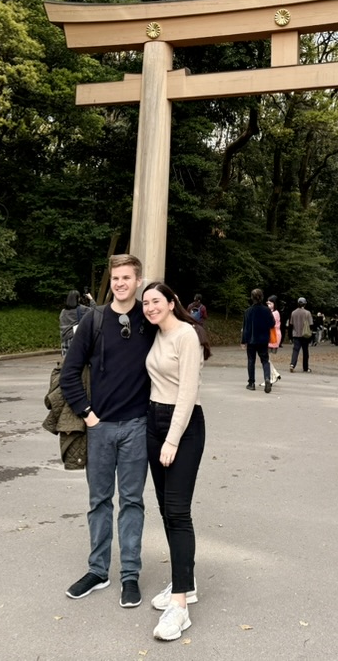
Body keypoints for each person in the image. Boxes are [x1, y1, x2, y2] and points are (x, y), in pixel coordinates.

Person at [60, 254, 156, 607]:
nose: (120, 283)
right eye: (115, 278)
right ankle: (98, 570)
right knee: (98, 501)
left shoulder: (150, 319)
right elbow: (69, 371)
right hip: (99, 427)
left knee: (132, 502)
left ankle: (130, 574)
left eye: (126, 278)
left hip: (137, 426)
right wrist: (87, 415)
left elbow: (183, 338)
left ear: (138, 280)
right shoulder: (94, 320)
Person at [142, 282, 211, 641]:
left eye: (156, 301)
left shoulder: (187, 335)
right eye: (146, 303)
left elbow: (188, 391)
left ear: (172, 302)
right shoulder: (155, 334)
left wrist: (172, 439)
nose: (150, 307)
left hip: (182, 426)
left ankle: (180, 606)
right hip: (153, 420)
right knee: (166, 510)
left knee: (178, 512)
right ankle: (185, 581)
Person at [241, 289, 275, 392]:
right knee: (265, 360)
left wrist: (243, 341)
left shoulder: (248, 311)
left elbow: (245, 328)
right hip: (263, 339)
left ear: (251, 298)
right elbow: (272, 323)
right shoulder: (266, 310)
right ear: (262, 297)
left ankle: (251, 383)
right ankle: (267, 378)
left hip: (251, 339)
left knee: (251, 361)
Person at [59, 289, 91, 358]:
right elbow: (96, 311)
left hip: (65, 339)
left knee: (68, 360)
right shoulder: (82, 309)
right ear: (78, 299)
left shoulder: (63, 311)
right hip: (75, 338)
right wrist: (91, 299)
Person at [289, 298, 313, 373]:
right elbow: (311, 324)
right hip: (304, 334)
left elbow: (291, 324)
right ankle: (305, 368)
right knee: (305, 351)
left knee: (295, 350)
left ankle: (292, 364)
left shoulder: (293, 312)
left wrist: (290, 336)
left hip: (296, 334)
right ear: (305, 304)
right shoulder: (307, 313)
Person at [262, 296, 282, 385]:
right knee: (266, 357)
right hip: (272, 335)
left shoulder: (274, 313)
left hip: (272, 335)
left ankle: (273, 375)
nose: (268, 305)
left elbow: (268, 323)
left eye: (270, 303)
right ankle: (274, 374)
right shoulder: (273, 312)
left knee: (265, 357)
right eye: (268, 303)